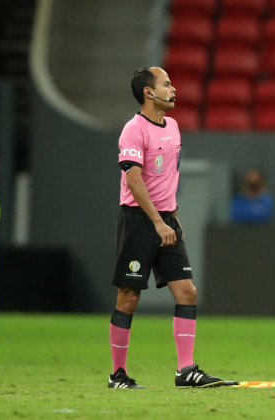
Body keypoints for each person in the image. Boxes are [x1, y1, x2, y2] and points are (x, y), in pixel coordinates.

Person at [108, 67, 226, 389]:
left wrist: (171, 216)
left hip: (166, 220)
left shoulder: (172, 126)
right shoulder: (133, 130)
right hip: (138, 221)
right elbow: (133, 180)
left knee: (187, 291)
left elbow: (167, 177)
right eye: (167, 84)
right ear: (149, 92)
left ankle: (185, 370)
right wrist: (158, 222)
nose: (174, 89)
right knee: (129, 296)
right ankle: (117, 374)